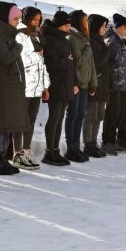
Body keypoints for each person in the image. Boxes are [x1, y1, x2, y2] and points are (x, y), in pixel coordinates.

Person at [0, 2, 27, 175]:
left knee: (7, 124)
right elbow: (5, 58)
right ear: (5, 18)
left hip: (10, 86)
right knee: (0, 124)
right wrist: (18, 47)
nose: (18, 22)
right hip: (2, 86)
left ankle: (3, 157)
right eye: (15, 18)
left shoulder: (7, 35)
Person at [14, 7, 49, 169]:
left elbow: (42, 63)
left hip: (36, 83)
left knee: (31, 118)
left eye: (38, 20)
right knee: (20, 119)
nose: (36, 22)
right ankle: (17, 153)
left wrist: (45, 86)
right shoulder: (20, 34)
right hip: (24, 83)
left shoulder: (37, 36)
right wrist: (37, 55)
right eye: (34, 19)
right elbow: (23, 58)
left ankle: (26, 150)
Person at [41, 11, 76, 166]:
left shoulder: (65, 40)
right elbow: (52, 63)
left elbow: (71, 62)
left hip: (65, 83)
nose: (68, 29)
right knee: (54, 117)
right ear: (59, 25)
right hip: (54, 84)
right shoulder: (49, 39)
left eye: (69, 26)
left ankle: (55, 150)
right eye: (66, 26)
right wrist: (67, 62)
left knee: (60, 117)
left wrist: (74, 82)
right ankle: (49, 151)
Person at [65, 10, 97, 163]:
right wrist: (87, 49)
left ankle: (76, 146)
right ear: (78, 21)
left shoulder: (85, 39)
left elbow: (91, 65)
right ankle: (70, 147)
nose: (87, 23)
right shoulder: (72, 38)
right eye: (85, 19)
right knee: (72, 115)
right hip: (76, 83)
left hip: (85, 84)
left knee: (80, 115)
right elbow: (77, 61)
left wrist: (93, 83)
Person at [101, 13, 126, 155]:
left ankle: (113, 140)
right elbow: (118, 60)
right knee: (112, 114)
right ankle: (107, 142)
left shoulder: (120, 41)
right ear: (119, 27)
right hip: (114, 82)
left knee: (119, 114)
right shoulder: (112, 40)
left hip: (123, 82)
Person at [83, 14, 110, 157]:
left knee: (99, 115)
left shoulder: (101, 41)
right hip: (94, 83)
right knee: (91, 116)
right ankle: (87, 144)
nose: (104, 29)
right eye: (102, 26)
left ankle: (94, 141)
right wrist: (108, 51)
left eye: (106, 26)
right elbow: (97, 62)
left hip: (103, 84)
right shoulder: (91, 41)